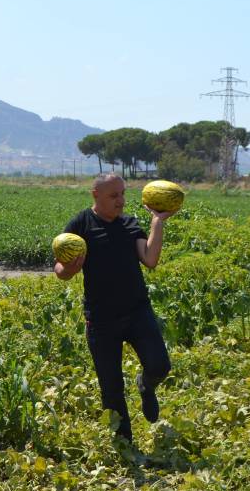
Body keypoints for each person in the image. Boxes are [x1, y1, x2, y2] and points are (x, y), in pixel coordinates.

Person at [54, 173, 175, 444]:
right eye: (113, 196)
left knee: (159, 365)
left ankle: (146, 384)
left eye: (122, 194)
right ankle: (125, 447)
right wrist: (68, 269)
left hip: (137, 311)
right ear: (95, 195)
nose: (121, 201)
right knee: (111, 390)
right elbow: (60, 268)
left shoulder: (130, 224)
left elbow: (150, 259)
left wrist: (157, 221)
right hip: (101, 320)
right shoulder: (80, 224)